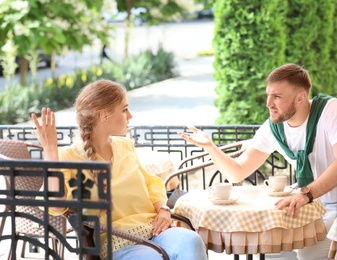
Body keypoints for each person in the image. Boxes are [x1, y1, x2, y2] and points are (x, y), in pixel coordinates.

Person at [178, 63, 337, 260]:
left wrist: (306, 194)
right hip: (313, 208)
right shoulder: (273, 128)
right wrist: (211, 147)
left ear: (301, 97)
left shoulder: (331, 109)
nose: (269, 103)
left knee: (308, 253)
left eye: (277, 96)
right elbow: (237, 172)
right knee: (271, 250)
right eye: (268, 95)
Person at [31, 79, 207, 260]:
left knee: (191, 241)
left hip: (155, 230)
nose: (130, 116)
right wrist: (50, 150)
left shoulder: (125, 145)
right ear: (104, 116)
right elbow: (55, 205)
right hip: (118, 241)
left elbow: (151, 183)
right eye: (124, 110)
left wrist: (163, 209)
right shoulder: (67, 156)